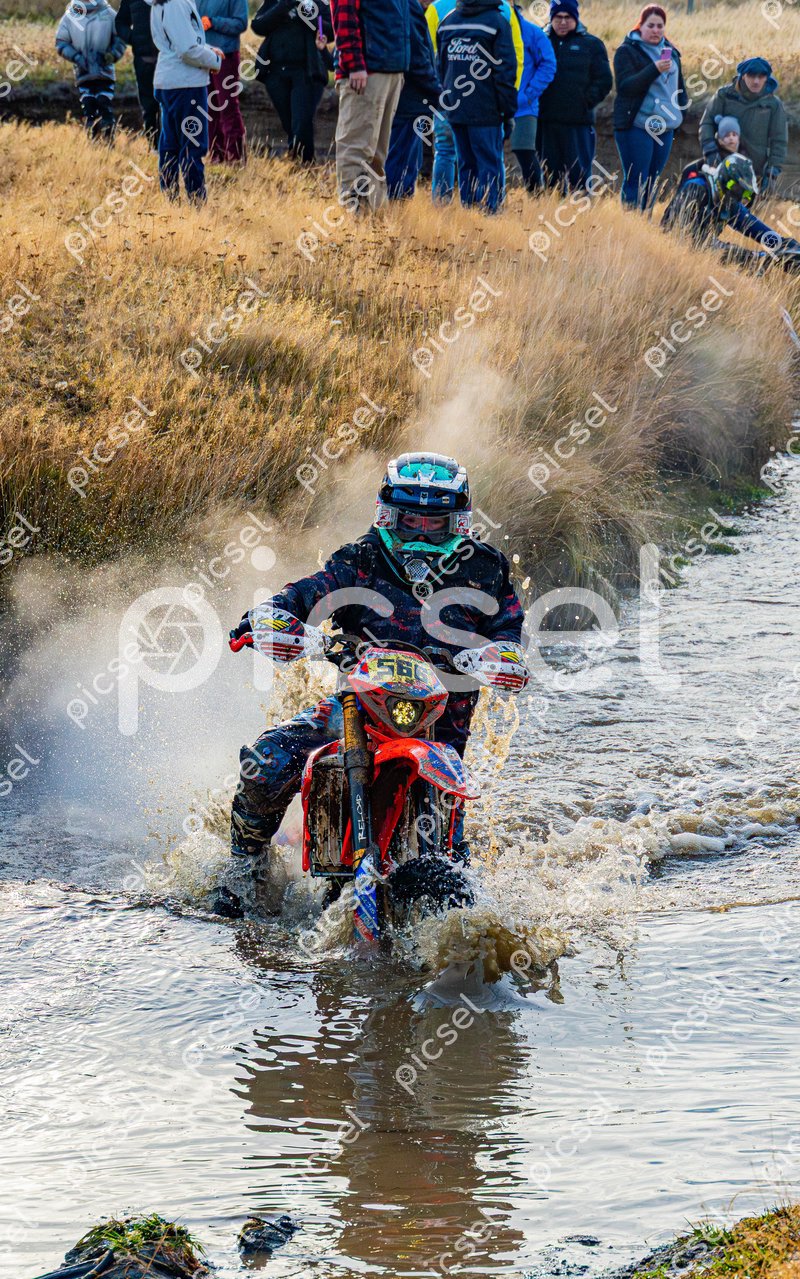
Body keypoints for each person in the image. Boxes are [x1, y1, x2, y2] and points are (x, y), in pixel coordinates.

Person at [229, 453, 526, 860]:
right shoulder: (360, 558)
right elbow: (307, 592)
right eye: (410, 520)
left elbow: (508, 628)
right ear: (389, 516)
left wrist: (503, 655)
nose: (421, 532)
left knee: (451, 858)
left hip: (441, 727)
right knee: (266, 762)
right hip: (358, 710)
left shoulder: (485, 567)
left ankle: (452, 883)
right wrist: (270, 615)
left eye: (434, 523)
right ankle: (245, 867)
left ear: (456, 522)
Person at [331, 0, 428, 213]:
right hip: (366, 73)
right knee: (356, 148)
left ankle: (374, 218)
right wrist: (354, 64)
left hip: (390, 70)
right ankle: (353, 218)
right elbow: (344, 13)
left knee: (377, 153)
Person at [425, 0, 522, 203]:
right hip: (487, 110)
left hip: (454, 108)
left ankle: (469, 209)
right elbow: (506, 70)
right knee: (489, 163)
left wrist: (445, 99)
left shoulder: (448, 21)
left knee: (465, 163)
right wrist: (508, 110)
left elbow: (439, 66)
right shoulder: (498, 21)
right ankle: (490, 211)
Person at [146, 0, 223, 203]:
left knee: (170, 145)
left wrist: (209, 50)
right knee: (192, 145)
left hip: (171, 81)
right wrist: (214, 60)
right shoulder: (177, 3)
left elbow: (183, 40)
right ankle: (197, 203)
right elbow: (187, 49)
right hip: (185, 84)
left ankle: (170, 201)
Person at [613, 5, 688, 211]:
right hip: (637, 125)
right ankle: (630, 220)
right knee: (637, 178)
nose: (656, 30)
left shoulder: (672, 52)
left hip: (665, 126)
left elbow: (680, 88)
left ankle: (644, 219)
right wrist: (653, 69)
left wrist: (681, 113)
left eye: (660, 26)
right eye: (651, 25)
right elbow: (626, 87)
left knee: (653, 179)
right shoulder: (627, 51)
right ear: (640, 26)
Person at [661, 151, 799, 258]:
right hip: (672, 256)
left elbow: (761, 232)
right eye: (738, 190)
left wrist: (791, 249)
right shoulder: (696, 188)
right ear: (725, 181)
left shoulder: (729, 203)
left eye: (746, 194)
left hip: (698, 254)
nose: (741, 197)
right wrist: (752, 257)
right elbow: (690, 239)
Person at [537, 0, 612, 193]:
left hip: (578, 123)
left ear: (576, 18)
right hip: (546, 122)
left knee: (579, 177)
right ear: (551, 18)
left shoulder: (592, 44)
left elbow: (604, 80)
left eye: (568, 17)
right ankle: (549, 208)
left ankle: (581, 211)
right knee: (549, 177)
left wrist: (585, 102)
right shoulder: (540, 42)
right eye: (558, 17)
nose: (563, 22)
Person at [251, 0, 333, 164]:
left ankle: (305, 164)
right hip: (275, 72)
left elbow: (330, 32)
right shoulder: (275, 2)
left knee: (301, 122)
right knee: (289, 123)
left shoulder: (320, 4)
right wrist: (285, 4)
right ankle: (296, 159)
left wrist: (304, 12)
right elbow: (258, 26)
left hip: (307, 73)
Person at [699, 57, 787, 194]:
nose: (756, 81)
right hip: (722, 163)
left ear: (766, 78)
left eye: (761, 76)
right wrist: (710, 151)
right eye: (751, 75)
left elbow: (779, 140)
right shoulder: (724, 96)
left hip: (755, 169)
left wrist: (772, 171)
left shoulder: (773, 104)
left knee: (750, 205)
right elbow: (707, 123)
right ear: (743, 75)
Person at [385, 0, 440, 200]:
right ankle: (394, 209)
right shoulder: (408, 7)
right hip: (412, 97)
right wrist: (435, 89)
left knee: (404, 160)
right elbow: (417, 54)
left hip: (405, 95)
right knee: (402, 162)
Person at [55, 0, 127, 141]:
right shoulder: (70, 16)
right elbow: (61, 42)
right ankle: (93, 144)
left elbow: (121, 38)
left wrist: (111, 55)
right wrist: (76, 57)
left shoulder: (108, 14)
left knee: (104, 102)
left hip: (104, 73)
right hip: (84, 73)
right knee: (89, 107)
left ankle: (108, 143)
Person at [510, 3, 556, 193]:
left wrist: (529, 94)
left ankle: (536, 197)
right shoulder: (488, 28)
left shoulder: (532, 32)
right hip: (492, 104)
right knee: (487, 152)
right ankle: (488, 199)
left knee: (524, 150)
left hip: (523, 106)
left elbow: (548, 64)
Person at [197, 0, 248, 163]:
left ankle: (235, 157)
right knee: (209, 108)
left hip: (226, 56)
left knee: (227, 106)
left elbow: (241, 23)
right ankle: (216, 155)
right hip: (202, 56)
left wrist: (213, 22)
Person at [116, 0, 161, 145]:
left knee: (169, 105)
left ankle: (170, 148)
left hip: (170, 60)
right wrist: (133, 38)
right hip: (143, 60)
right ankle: (154, 146)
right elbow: (120, 23)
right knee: (149, 107)